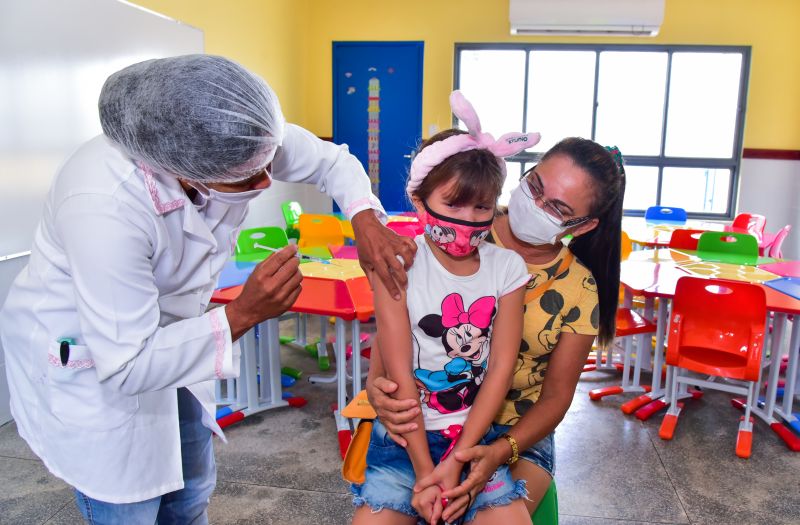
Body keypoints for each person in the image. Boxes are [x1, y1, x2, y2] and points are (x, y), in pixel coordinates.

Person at [0, 54, 414, 524]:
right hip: (97, 361)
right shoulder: (103, 206)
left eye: (267, 166)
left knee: (192, 491)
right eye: (246, 177)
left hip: (179, 338)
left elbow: (331, 161)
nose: (264, 181)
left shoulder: (242, 134)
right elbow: (128, 365)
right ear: (183, 170)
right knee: (129, 507)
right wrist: (244, 313)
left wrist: (362, 214)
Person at [369, 137, 626, 522]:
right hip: (425, 415)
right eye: (536, 186)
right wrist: (375, 385)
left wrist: (498, 452)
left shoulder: (579, 288)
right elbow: (400, 332)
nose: (536, 206)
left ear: (584, 225)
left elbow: (556, 399)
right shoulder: (467, 221)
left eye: (557, 207)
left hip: (518, 433)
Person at [352, 91, 540, 525]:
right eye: (452, 204)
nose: (469, 219)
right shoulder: (395, 261)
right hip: (403, 443)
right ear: (420, 201)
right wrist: (426, 473)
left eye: (482, 206)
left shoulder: (507, 267)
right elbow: (398, 372)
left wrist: (455, 462)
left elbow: (499, 369)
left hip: (474, 439)